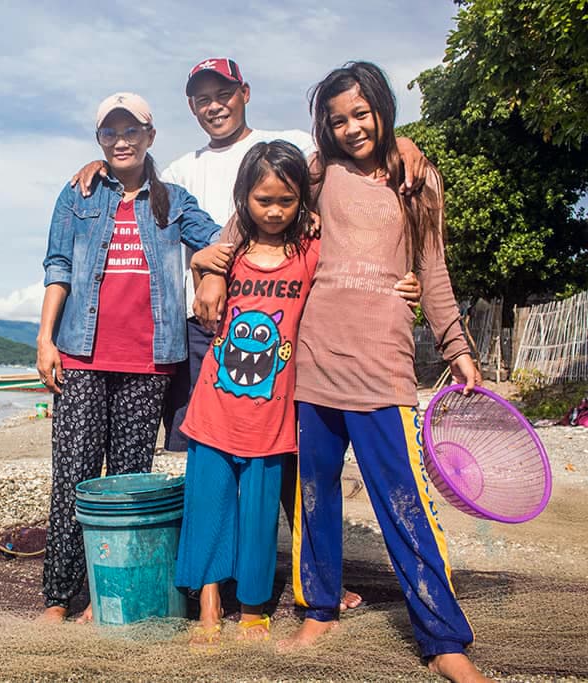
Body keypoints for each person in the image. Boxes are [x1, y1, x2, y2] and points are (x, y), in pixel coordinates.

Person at [73, 56, 428, 616]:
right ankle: (213, 582)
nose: (213, 105)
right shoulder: (184, 168)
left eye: (223, 93)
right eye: (201, 97)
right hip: (210, 325)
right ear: (190, 107)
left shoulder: (286, 141)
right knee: (209, 454)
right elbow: (139, 176)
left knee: (283, 457)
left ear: (244, 92)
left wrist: (401, 145)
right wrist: (102, 163)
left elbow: (350, 144)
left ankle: (313, 575)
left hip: (286, 317)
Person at [226, 61, 485, 682]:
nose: (351, 128)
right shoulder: (320, 172)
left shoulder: (417, 180)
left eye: (362, 114)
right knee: (312, 499)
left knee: (404, 502)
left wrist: (458, 347)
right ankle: (318, 611)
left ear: (382, 110)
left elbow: (435, 268)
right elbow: (258, 204)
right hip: (311, 362)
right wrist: (214, 266)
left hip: (382, 365)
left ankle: (443, 638)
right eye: (337, 118)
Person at [36, 92, 223, 623]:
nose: (121, 141)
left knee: (127, 481)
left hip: (149, 362)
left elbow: (217, 241)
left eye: (131, 131)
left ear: (150, 136)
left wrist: (209, 272)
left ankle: (105, 594)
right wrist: (45, 339)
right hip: (81, 356)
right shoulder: (78, 195)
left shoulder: (174, 200)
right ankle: (57, 596)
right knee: (72, 475)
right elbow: (57, 267)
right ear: (100, 140)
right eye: (109, 133)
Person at [175, 141, 319, 646]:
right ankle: (210, 605)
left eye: (287, 200)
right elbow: (200, 291)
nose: (275, 211)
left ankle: (254, 608)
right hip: (214, 406)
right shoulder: (224, 255)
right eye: (263, 200)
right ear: (244, 199)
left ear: (302, 198)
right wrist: (204, 271)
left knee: (259, 516)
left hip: (274, 416)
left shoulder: (310, 251)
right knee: (209, 506)